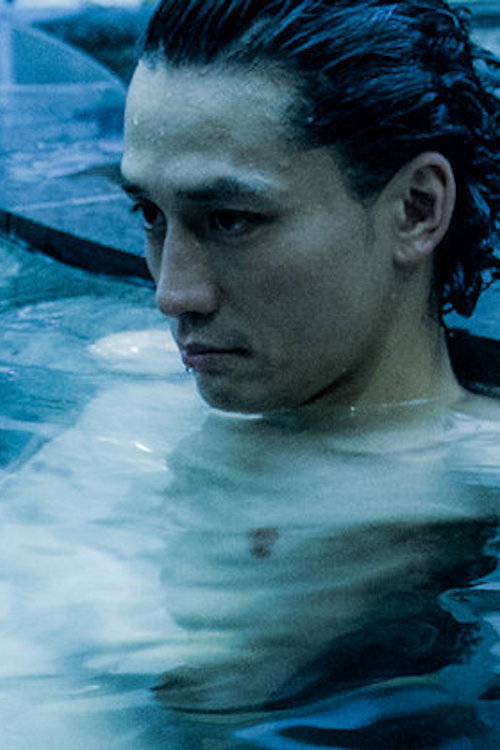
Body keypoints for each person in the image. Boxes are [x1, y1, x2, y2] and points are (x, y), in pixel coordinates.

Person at [119, 0, 499, 746]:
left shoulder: (472, 488)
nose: (172, 293)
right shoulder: (128, 406)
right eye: (150, 216)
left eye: (230, 220)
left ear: (416, 209)